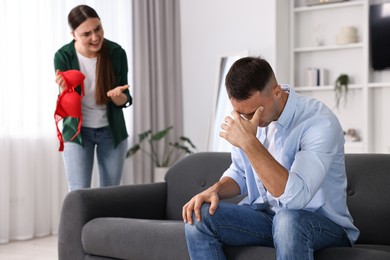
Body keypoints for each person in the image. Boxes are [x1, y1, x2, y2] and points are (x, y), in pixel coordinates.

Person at [182, 57, 359, 260]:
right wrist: (215, 190)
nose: (249, 121)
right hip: (268, 218)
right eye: (242, 114)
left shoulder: (318, 122)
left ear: (276, 92)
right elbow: (240, 173)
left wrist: (249, 142)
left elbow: (295, 199)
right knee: (198, 216)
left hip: (322, 225)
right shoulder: (249, 120)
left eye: (254, 112)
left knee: (287, 221)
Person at [54, 5, 132, 191]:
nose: (95, 37)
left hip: (111, 131)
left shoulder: (116, 53)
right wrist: (65, 91)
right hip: (77, 131)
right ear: (74, 35)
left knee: (110, 192)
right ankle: (81, 222)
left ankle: (106, 223)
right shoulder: (63, 56)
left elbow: (125, 100)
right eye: (86, 33)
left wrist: (118, 96)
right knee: (78, 191)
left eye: (98, 29)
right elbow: (66, 106)